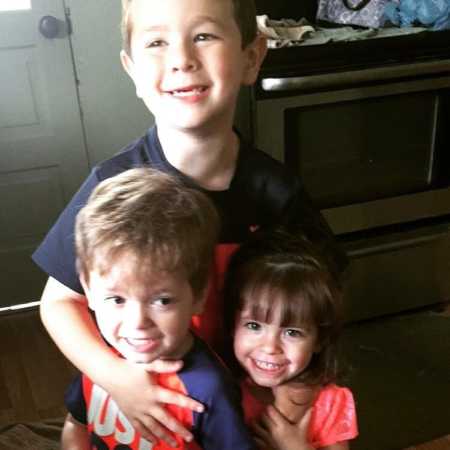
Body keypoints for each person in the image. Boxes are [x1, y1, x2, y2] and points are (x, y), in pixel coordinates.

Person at [32, 0, 346, 445]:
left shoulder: (278, 193)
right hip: (149, 398)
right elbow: (58, 304)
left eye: (204, 36)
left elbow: (321, 302)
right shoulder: (110, 188)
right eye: (158, 42)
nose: (181, 59)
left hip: (245, 412)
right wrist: (117, 378)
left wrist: (296, 393)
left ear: (251, 58)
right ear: (133, 70)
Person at [61, 168, 257, 450]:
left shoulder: (208, 389)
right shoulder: (99, 360)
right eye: (117, 300)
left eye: (162, 301)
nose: (138, 322)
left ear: (199, 296)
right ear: (88, 292)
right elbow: (75, 425)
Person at [223, 230, 358, 450]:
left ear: (319, 340)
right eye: (254, 326)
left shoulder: (329, 402)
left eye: (292, 332)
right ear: (232, 326)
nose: (270, 347)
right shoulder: (221, 392)